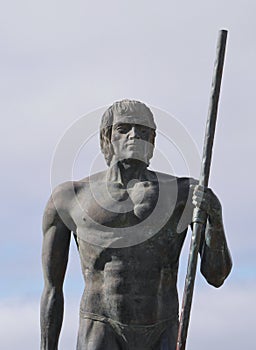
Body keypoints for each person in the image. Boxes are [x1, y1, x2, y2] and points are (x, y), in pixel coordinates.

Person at [40, 99, 232, 350]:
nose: (134, 136)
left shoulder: (183, 194)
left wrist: (215, 218)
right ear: (106, 138)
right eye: (124, 129)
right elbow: (52, 290)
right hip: (100, 327)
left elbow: (217, 275)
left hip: (161, 329)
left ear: (152, 142)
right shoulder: (69, 198)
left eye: (143, 131)